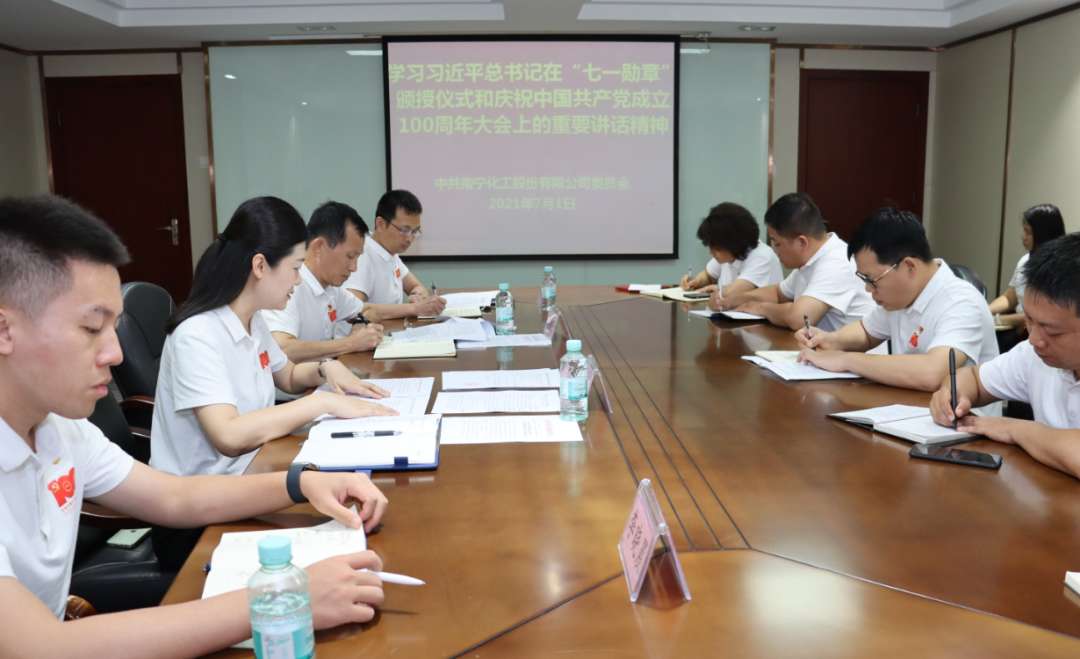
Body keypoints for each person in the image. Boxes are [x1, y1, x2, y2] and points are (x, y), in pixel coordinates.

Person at [0, 195, 389, 655]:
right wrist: (281, 597)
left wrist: (301, 483)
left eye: (113, 328)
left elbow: (174, 496)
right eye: (90, 329)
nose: (115, 354)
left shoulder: (60, 428)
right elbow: (42, 647)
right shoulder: (197, 334)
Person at [150, 196, 395, 569]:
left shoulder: (253, 319)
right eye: (295, 268)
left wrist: (325, 369)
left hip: (251, 477)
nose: (298, 280)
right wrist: (321, 402)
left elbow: (288, 376)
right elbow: (228, 435)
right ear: (260, 266)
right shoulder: (197, 335)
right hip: (198, 517)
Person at [795, 208, 999, 392]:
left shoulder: (961, 302)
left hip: (963, 419)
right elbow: (867, 332)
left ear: (909, 266)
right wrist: (829, 340)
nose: (868, 289)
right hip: (910, 408)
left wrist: (846, 360)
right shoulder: (903, 296)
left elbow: (932, 373)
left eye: (872, 280)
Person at [930, 233, 1080, 479]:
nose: (1034, 339)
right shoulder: (1033, 355)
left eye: (1052, 331)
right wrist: (952, 395)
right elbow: (975, 379)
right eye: (1029, 320)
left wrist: (1015, 429)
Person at [711, 192, 875, 331]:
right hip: (821, 352)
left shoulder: (836, 262)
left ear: (801, 242)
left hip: (851, 357)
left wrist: (758, 307)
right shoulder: (811, 259)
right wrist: (735, 299)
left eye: (777, 243)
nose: (774, 250)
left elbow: (801, 318)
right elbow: (778, 293)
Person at [263, 200, 384, 363]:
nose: (354, 268)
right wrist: (351, 343)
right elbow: (282, 349)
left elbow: (367, 310)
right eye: (350, 256)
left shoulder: (331, 287)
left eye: (357, 258)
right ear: (319, 247)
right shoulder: (289, 285)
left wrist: (359, 324)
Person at [343, 189, 446, 319]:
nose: (409, 238)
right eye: (404, 230)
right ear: (380, 224)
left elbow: (415, 286)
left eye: (415, 231)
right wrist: (414, 308)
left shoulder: (389, 251)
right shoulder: (362, 255)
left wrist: (417, 295)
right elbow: (354, 310)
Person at [988, 204, 1065, 333]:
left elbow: (1044, 316)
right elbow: (1010, 298)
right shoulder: (1025, 260)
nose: (1023, 236)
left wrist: (999, 320)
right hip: (1018, 328)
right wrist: (985, 311)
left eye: (1028, 232)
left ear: (1043, 234)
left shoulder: (1061, 268)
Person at [680, 202, 782, 297]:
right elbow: (708, 275)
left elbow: (733, 292)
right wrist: (696, 282)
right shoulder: (728, 254)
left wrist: (718, 290)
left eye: (716, 248)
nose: (711, 253)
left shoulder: (763, 257)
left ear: (733, 242)